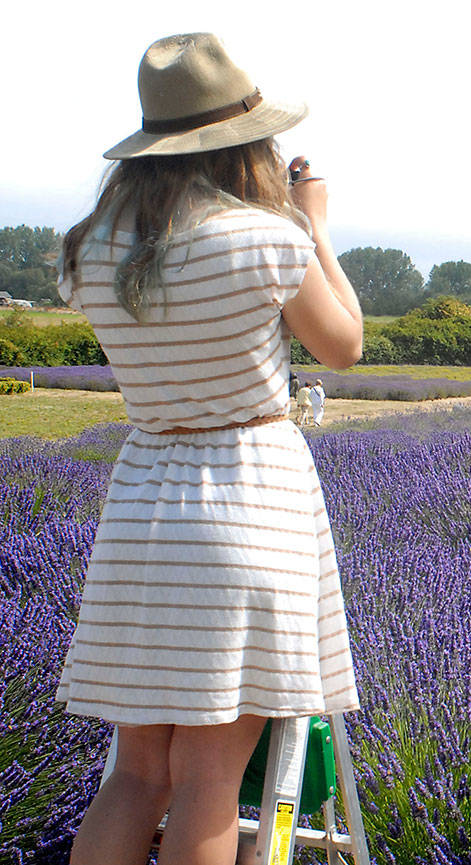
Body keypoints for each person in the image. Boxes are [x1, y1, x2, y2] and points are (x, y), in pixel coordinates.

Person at [55, 33, 362, 865]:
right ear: (242, 141)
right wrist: (315, 226)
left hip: (144, 503)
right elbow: (343, 345)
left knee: (139, 773)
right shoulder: (264, 238)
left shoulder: (93, 248)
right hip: (247, 500)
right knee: (210, 777)